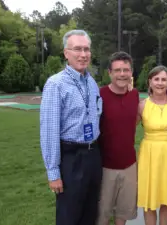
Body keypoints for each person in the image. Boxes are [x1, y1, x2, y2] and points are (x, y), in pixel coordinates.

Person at [40, 30, 103, 225]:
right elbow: (49, 131)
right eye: (77, 49)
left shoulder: (92, 83)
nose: (83, 54)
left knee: (90, 214)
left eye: (86, 49)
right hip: (71, 158)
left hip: (93, 155)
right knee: (69, 216)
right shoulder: (55, 84)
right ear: (66, 53)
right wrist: (53, 173)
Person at [137, 65, 167, 225]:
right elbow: (128, 129)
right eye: (156, 79)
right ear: (150, 82)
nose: (160, 83)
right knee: (149, 200)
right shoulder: (142, 105)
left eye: (163, 79)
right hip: (149, 155)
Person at [97, 51, 139, 225]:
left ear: (131, 73)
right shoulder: (99, 95)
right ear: (110, 73)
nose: (122, 74)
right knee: (102, 214)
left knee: (123, 212)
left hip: (130, 165)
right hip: (104, 166)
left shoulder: (134, 95)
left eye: (126, 70)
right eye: (118, 70)